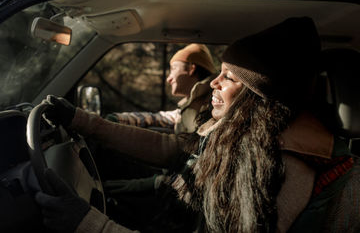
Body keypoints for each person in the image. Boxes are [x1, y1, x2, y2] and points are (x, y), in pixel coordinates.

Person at [35, 17, 357, 232]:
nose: (213, 82)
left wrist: (90, 225)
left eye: (229, 77)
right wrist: (82, 121)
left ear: (258, 100)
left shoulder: (282, 168)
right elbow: (173, 147)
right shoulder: (242, 133)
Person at [106, 43, 217, 135]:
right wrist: (119, 119)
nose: (169, 78)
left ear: (191, 69)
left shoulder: (212, 104)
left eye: (173, 69)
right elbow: (161, 118)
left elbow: (184, 145)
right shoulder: (189, 105)